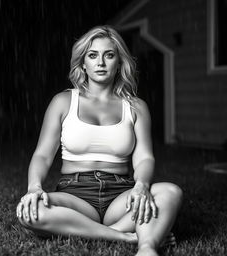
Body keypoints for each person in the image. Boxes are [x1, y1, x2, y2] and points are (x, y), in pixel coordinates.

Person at [16, 25, 182, 256]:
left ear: (119, 62)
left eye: (109, 55)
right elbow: (42, 155)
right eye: (93, 55)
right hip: (75, 194)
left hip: (120, 195)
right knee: (30, 212)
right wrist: (34, 188)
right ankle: (128, 236)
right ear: (83, 63)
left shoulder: (136, 107)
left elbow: (144, 157)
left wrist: (141, 186)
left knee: (170, 192)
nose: (101, 62)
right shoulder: (63, 102)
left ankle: (146, 248)